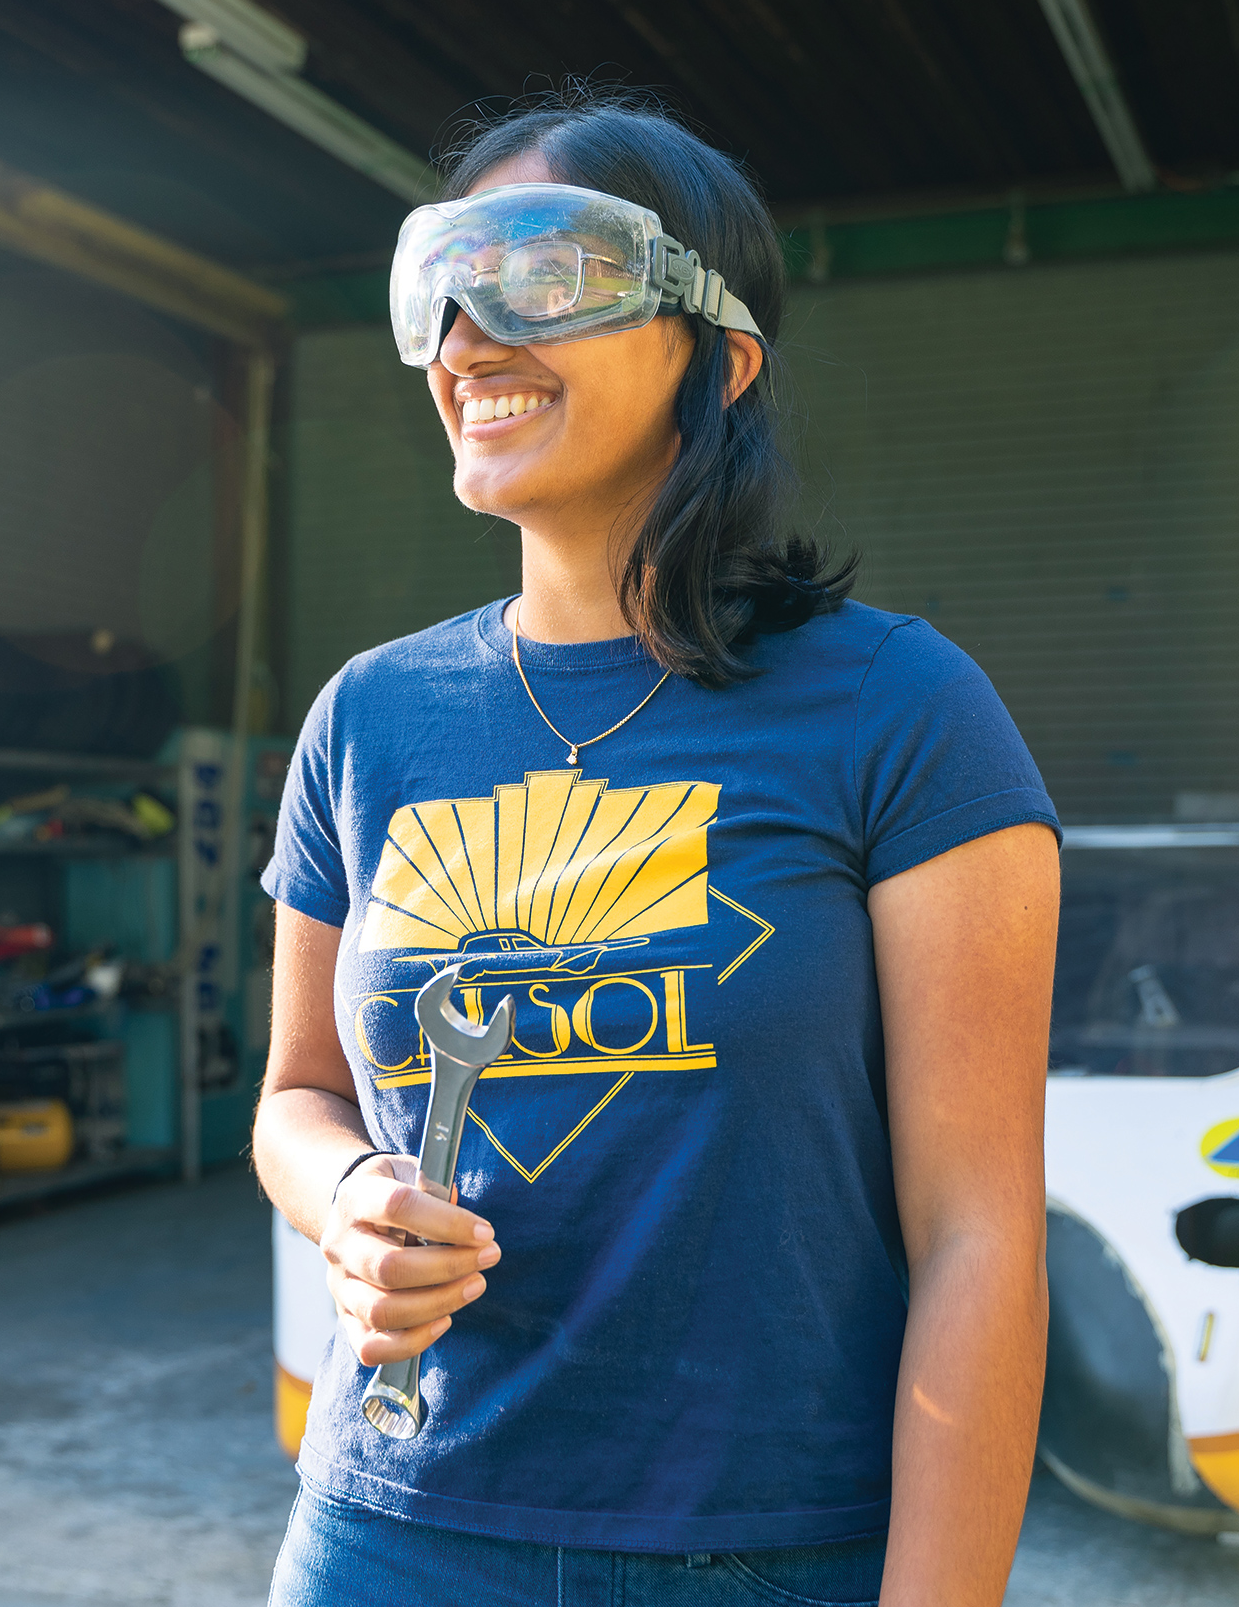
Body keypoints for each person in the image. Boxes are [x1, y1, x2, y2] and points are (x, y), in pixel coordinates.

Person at [255, 91, 1061, 1607]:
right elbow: (295, 1093)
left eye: (542, 276)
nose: (467, 339)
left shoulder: (901, 711)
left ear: (720, 351)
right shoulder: (367, 718)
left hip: (767, 1551)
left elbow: (979, 1236)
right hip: (393, 1532)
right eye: (439, 284)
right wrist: (347, 1190)